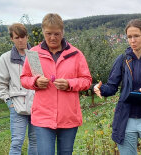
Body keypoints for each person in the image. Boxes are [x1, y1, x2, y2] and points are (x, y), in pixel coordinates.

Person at [94, 19, 141, 154]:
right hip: (126, 120)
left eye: (136, 36)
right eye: (129, 37)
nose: (132, 40)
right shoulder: (123, 59)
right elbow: (112, 87)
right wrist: (99, 88)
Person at [20, 13, 92, 155]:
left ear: (62, 32)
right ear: (43, 32)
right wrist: (35, 82)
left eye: (56, 34)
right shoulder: (34, 53)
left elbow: (87, 80)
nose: (53, 37)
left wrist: (69, 84)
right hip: (43, 117)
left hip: (68, 117)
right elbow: (24, 78)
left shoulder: (76, 54)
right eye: (49, 33)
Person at [0, 23, 37, 155]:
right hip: (17, 107)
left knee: (35, 142)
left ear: (27, 37)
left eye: (23, 37)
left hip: (37, 106)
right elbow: (0, 84)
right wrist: (9, 103)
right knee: (17, 142)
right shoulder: (5, 58)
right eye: (17, 37)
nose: (21, 40)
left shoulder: (36, 55)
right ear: (12, 39)